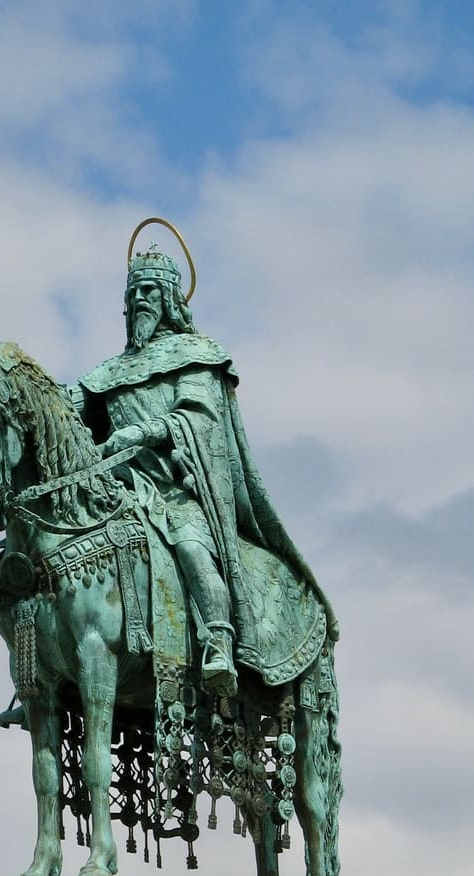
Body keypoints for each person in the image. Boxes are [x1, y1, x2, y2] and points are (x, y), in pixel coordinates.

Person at [74, 246, 336, 698]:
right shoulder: (106, 372)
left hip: (175, 492)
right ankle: (45, 669)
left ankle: (218, 637)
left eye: (150, 290)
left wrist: (139, 434)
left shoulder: (195, 354)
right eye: (133, 291)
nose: (140, 299)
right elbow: (66, 412)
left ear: (171, 298)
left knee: (193, 548)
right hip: (117, 491)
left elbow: (197, 417)